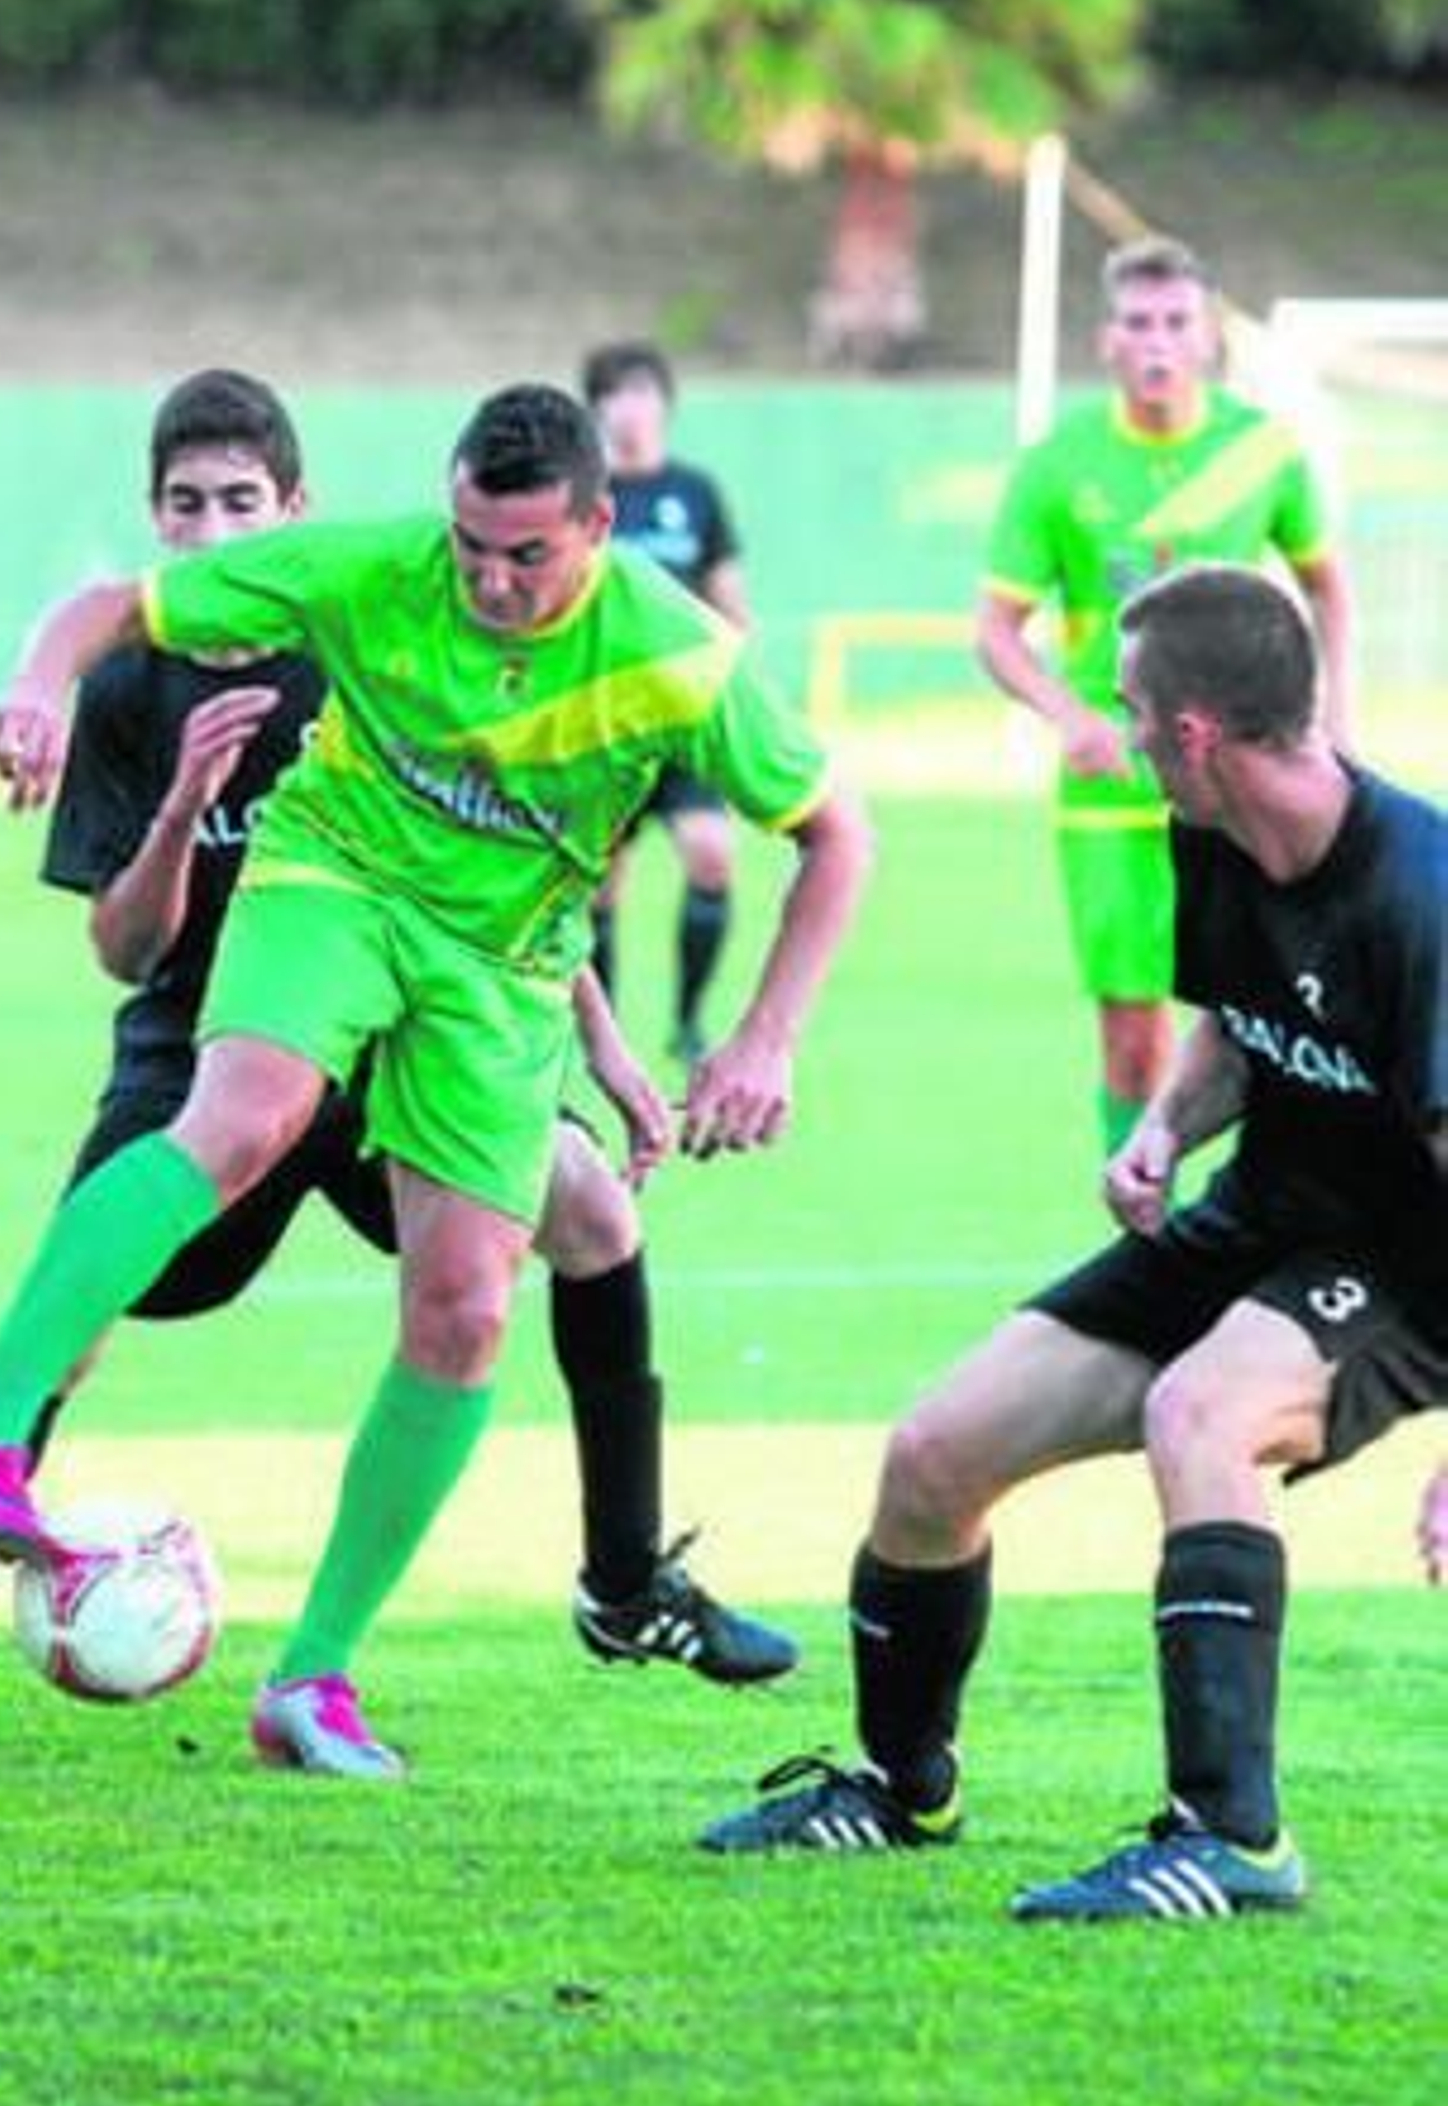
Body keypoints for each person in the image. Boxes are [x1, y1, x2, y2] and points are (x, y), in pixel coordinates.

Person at [0, 382, 872, 1780]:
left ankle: (314, 1677)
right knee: (245, 1115)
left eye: (526, 555)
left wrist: (763, 1035)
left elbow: (838, 835)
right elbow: (110, 608)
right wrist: (36, 684)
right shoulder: (370, 567)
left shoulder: (678, 655)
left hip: (498, 973)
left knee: (469, 1306)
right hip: (332, 886)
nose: (489, 580)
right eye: (471, 544)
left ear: (599, 527)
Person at [702, 563, 1447, 1922]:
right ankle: (901, 1786)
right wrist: (1164, 1126)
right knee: (935, 1452)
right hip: (1257, 1220)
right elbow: (1239, 1018)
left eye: (1131, 706)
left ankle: (1234, 1837)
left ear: (1195, 732)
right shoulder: (1210, 829)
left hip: (1408, 1263)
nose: (1116, 728)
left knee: (1201, 1414)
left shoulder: (1422, 896)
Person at [978, 236, 1355, 1157]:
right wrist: (1072, 719)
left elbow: (1329, 590)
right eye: (1138, 323)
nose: (1158, 341)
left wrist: (1334, 723)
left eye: (1177, 321)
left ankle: (1277, 1206)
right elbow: (994, 631)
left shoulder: (1261, 449)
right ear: (1107, 339)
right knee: (1133, 1033)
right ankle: (1142, 1215)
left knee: (1277, 1017)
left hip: (1248, 783)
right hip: (1115, 790)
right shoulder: (1057, 464)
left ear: (1208, 335)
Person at [582, 342, 749, 1065]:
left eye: (645, 392)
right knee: (597, 888)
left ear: (665, 405)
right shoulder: (583, 496)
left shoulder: (696, 492)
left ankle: (688, 1021)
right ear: (597, 408)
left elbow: (730, 604)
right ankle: (604, 1036)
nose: (632, 407)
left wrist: (733, 678)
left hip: (682, 720)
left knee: (711, 853)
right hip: (603, 725)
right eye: (617, 393)